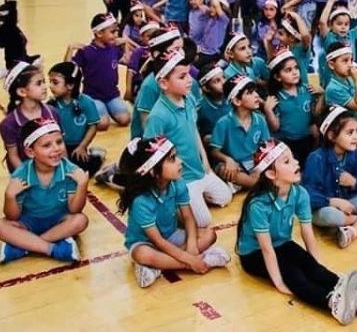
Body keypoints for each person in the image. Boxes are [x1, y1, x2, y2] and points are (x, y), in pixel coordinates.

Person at [235, 141, 357, 325]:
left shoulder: (300, 193)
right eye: (287, 161)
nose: (296, 162)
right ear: (271, 174)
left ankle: (350, 291)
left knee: (308, 265)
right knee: (294, 274)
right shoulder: (258, 205)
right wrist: (279, 282)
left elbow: (307, 233)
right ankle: (331, 302)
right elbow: (266, 249)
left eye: (293, 158)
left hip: (282, 243)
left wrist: (316, 266)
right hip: (254, 254)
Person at [118, 136, 230, 288]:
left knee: (209, 234)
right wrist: (190, 260)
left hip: (171, 235)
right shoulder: (141, 201)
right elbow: (158, 241)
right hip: (146, 243)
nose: (180, 161)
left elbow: (188, 217)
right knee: (143, 255)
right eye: (172, 159)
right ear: (153, 171)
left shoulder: (177, 183)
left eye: (175, 156)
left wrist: (191, 245)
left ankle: (158, 267)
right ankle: (204, 260)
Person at [142, 52, 233, 228]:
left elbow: (194, 130)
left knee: (225, 197)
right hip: (181, 178)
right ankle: (175, 204)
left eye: (189, 74)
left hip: (199, 169)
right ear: (164, 83)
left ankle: (193, 200)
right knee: (203, 221)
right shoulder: (158, 116)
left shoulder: (188, 98)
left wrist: (204, 160)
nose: (190, 80)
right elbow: (151, 154)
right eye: (182, 77)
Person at [0, 118, 87, 264]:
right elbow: (12, 216)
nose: (56, 148)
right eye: (47, 145)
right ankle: (53, 249)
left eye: (59, 142)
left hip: (58, 221)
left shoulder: (70, 170)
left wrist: (82, 185)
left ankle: (25, 246)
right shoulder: (21, 174)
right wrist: (9, 196)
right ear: (30, 152)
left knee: (81, 220)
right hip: (28, 223)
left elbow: (75, 210)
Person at [302, 106, 357, 248]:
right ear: (332, 136)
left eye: (356, 131)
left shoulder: (354, 155)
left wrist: (354, 182)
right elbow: (307, 195)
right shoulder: (316, 158)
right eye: (350, 132)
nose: (356, 137)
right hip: (324, 208)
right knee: (330, 215)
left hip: (349, 203)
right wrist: (333, 201)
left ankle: (353, 230)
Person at [67, 13, 133, 130]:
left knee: (125, 119)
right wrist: (70, 49)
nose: (116, 35)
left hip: (112, 94)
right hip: (93, 96)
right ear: (99, 33)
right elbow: (68, 69)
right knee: (103, 125)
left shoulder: (113, 48)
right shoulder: (86, 51)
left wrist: (126, 44)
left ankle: (106, 108)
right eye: (112, 32)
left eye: (116, 31)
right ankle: (86, 107)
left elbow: (127, 61)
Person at [210, 76, 275, 190]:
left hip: (255, 163)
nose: (256, 95)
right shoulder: (223, 123)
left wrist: (260, 167)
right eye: (250, 93)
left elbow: (266, 146)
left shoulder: (260, 119)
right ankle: (255, 184)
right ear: (237, 101)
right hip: (235, 165)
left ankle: (251, 184)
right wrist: (228, 160)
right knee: (223, 169)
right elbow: (214, 151)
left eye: (255, 91)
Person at [47, 62, 104, 177]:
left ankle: (97, 156)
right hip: (59, 146)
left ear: (70, 85)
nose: (50, 86)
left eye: (55, 82)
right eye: (50, 82)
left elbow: (93, 126)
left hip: (78, 145)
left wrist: (82, 147)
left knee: (83, 171)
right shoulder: (51, 105)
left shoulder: (86, 102)